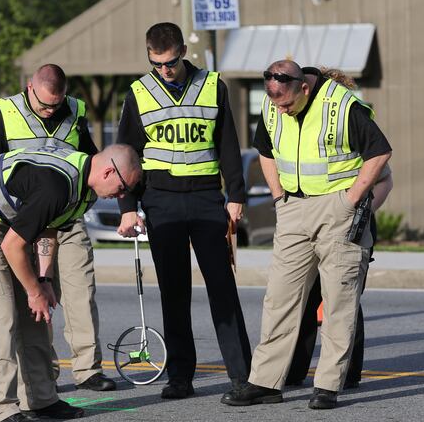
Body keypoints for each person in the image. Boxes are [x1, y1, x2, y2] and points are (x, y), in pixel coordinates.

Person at [221, 61, 392, 410]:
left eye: (286, 103)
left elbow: (380, 152)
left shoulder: (341, 105)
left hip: (338, 210)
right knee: (279, 299)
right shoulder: (273, 106)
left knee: (338, 302)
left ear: (303, 87)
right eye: (275, 104)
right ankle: (265, 382)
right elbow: (265, 150)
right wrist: (278, 197)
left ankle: (328, 385)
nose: (280, 109)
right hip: (293, 209)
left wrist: (352, 201)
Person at [0, 144, 141, 422]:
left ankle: (40, 400)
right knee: (0, 318)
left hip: (11, 222)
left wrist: (44, 279)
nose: (121, 197)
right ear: (109, 171)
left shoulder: (83, 189)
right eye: (123, 188)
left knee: (36, 315)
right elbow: (12, 246)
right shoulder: (56, 185)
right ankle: (3, 409)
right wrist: (33, 290)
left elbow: (48, 225)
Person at [115, 22, 252, 401]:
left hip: (208, 199)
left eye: (170, 62)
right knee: (173, 293)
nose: (164, 70)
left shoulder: (212, 86)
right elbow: (125, 155)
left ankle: (242, 376)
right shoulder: (139, 93)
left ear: (182, 53)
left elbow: (227, 143)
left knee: (222, 289)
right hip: (162, 201)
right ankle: (180, 377)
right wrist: (128, 207)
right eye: (156, 63)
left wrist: (235, 194)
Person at [0, 64, 116, 392]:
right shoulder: (6, 114)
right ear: (29, 88)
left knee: (80, 292)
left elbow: (94, 161)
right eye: (44, 104)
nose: (51, 110)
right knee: (35, 300)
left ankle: (88, 369)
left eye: (57, 103)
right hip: (24, 221)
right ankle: (44, 374)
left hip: (65, 215)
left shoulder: (74, 112)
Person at [286, 168, 393, 389]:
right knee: (304, 299)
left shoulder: (355, 134)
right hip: (309, 225)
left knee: (345, 299)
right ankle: (294, 370)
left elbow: (385, 180)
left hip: (351, 225)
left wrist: (363, 212)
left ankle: (349, 372)